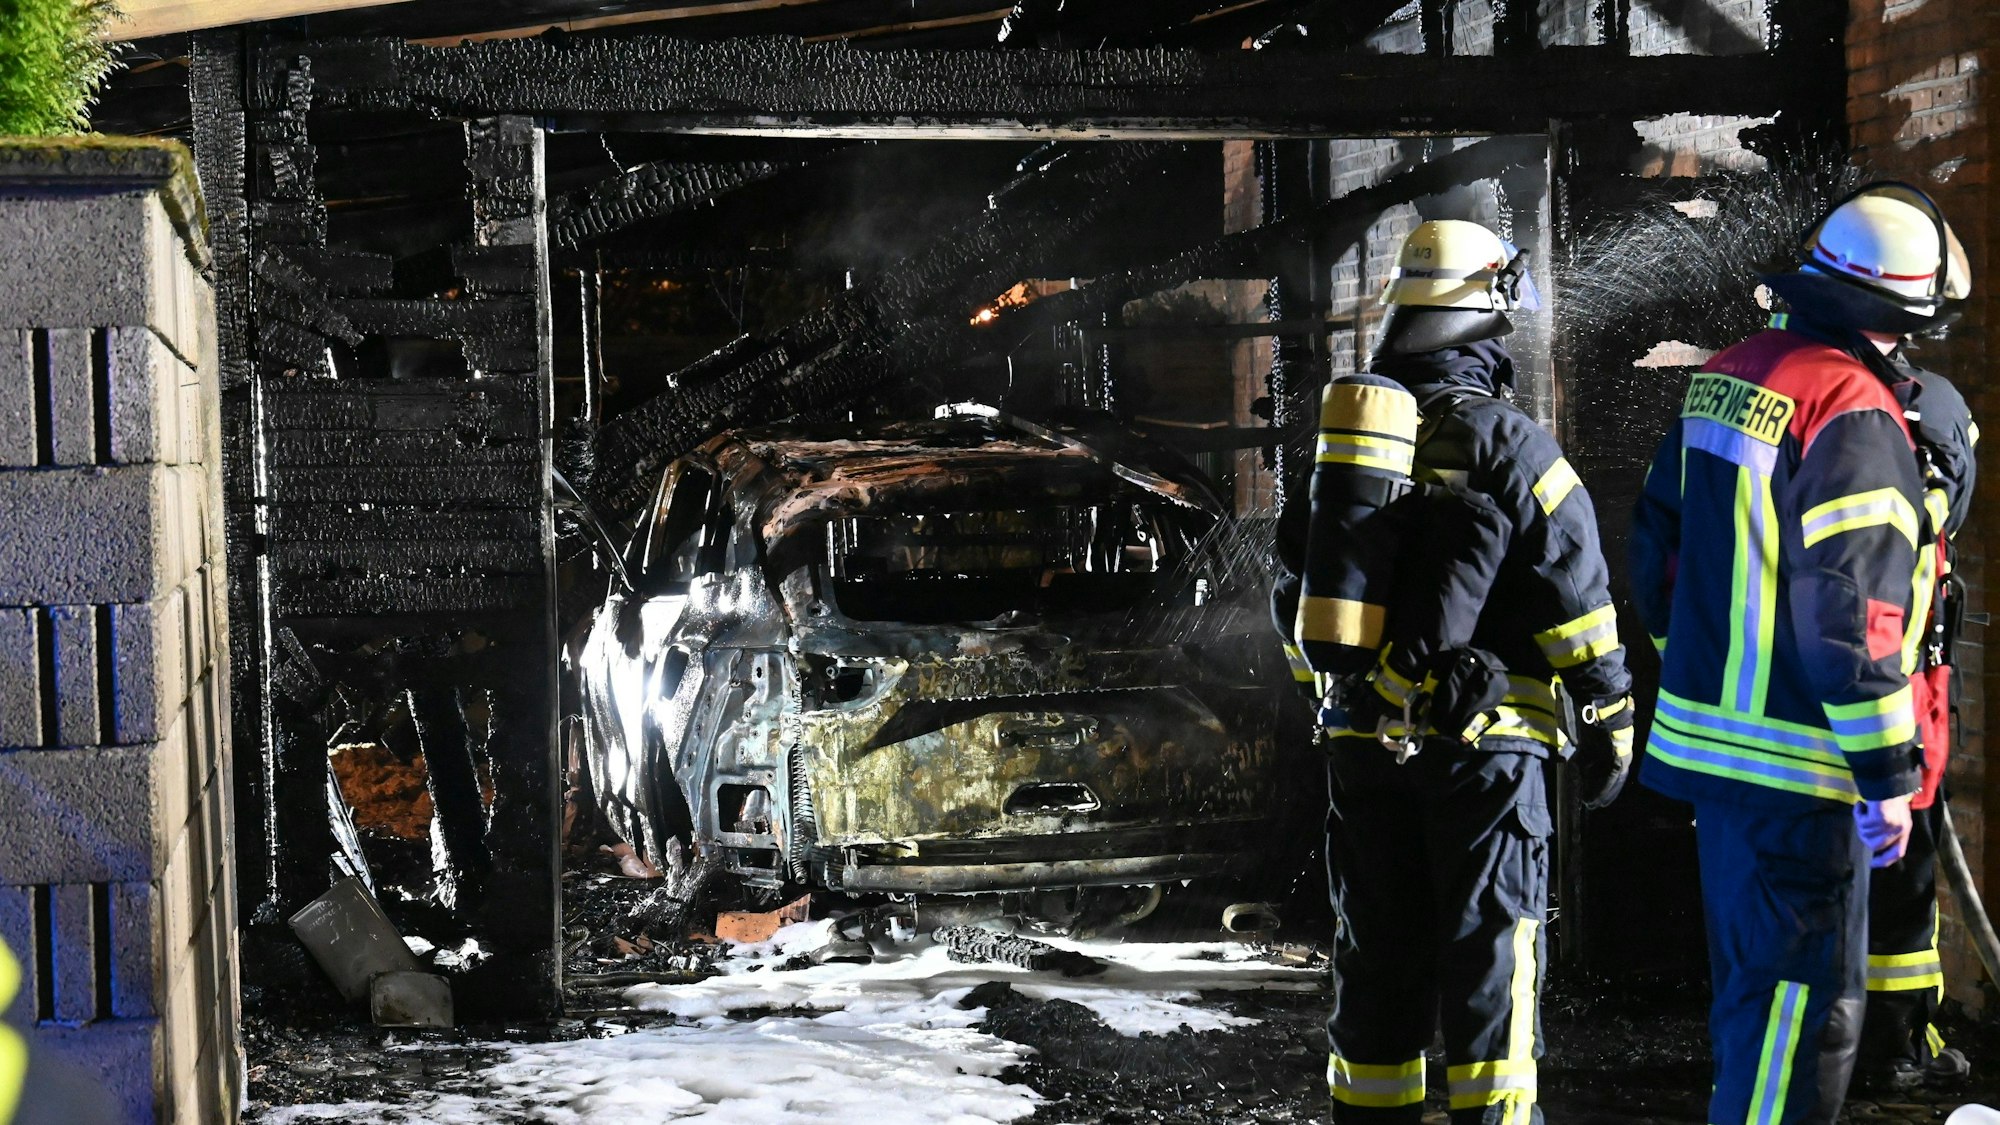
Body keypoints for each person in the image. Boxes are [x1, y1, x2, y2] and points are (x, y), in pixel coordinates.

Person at [1630, 181, 1971, 1125]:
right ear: (1898, 313)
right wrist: (1887, 775)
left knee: (1754, 1011)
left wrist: (1702, 669)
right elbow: (1854, 621)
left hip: (1718, 768)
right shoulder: (1854, 409)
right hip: (1802, 774)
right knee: (1801, 1025)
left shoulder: (1729, 375)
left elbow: (1655, 554)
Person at [1301, 219, 1634, 1124]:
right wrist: (1609, 717)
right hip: (1485, 760)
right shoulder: (1508, 441)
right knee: (1492, 971)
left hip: (1362, 748)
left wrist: (1353, 707)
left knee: (1377, 967)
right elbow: (1578, 594)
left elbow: (1302, 591)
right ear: (1485, 319)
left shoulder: (1347, 447)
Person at [1851, 353, 1976, 1091]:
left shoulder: (1830, 408)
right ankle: (1896, 1048)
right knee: (1901, 878)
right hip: (1903, 693)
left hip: (1823, 694)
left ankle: (1851, 1043)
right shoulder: (1931, 409)